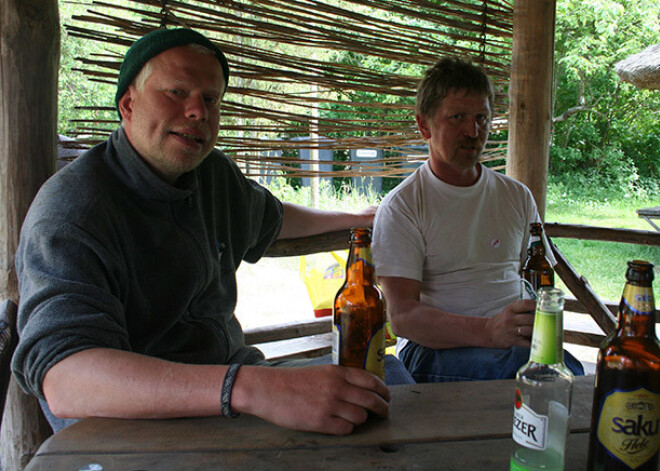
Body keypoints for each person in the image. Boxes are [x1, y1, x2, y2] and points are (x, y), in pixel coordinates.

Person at [12, 28, 413, 436]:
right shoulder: (73, 212)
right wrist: (252, 389)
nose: (197, 112)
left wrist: (354, 219)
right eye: (176, 92)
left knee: (385, 380)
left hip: (230, 389)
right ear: (128, 104)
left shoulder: (211, 176)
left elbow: (273, 219)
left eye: (209, 99)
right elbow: (65, 379)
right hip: (128, 425)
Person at [372, 57, 584, 383]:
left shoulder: (516, 196)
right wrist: (489, 331)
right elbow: (402, 318)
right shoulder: (404, 206)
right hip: (432, 350)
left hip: (513, 345)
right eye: (457, 117)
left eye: (482, 118)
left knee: (573, 373)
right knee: (525, 374)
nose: (473, 131)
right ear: (424, 125)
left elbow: (535, 277)